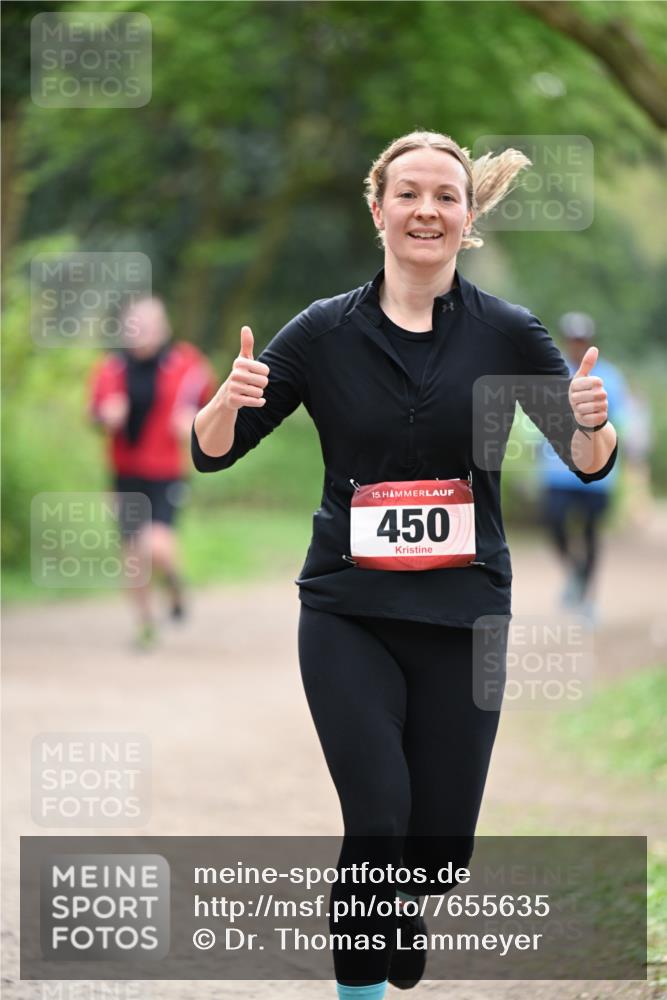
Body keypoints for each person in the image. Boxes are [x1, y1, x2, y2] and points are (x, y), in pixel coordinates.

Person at [192, 131, 618, 998]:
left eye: (446, 197)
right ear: (378, 207)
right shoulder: (322, 331)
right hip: (349, 609)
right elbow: (212, 455)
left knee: (437, 853)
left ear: (468, 219)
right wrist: (223, 402)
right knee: (377, 819)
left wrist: (589, 417)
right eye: (409, 193)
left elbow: (585, 459)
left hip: (466, 614)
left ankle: (409, 903)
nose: (427, 209)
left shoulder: (505, 332)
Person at [89, 296, 216, 649]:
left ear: (164, 328)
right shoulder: (111, 369)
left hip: (165, 471)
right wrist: (106, 415)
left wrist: (193, 421)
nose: (141, 332)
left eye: (149, 325)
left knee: (155, 544)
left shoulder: (187, 365)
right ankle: (145, 625)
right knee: (132, 554)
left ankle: (173, 582)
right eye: (135, 325)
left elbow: (210, 404)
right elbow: (94, 412)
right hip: (124, 472)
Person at [539, 311, 628, 621]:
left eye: (582, 339)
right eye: (572, 339)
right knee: (553, 523)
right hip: (557, 470)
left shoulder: (610, 377)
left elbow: (618, 424)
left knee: (590, 534)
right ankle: (576, 573)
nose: (577, 345)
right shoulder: (553, 371)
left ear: (589, 340)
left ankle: (588, 599)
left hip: (596, 475)